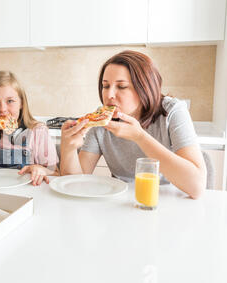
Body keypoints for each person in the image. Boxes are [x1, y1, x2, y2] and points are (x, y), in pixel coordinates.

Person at [60, 50, 207, 199]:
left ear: (145, 87)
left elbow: (197, 187)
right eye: (105, 86)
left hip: (169, 200)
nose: (109, 94)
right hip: (119, 202)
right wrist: (68, 149)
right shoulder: (101, 119)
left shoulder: (172, 111)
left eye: (121, 86)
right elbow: (76, 184)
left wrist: (140, 137)